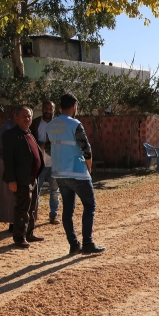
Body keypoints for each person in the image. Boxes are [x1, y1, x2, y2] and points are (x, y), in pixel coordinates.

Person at [47, 94, 105, 255]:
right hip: (77, 172)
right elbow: (86, 147)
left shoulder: (50, 125)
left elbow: (47, 147)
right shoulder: (75, 124)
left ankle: (73, 244)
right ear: (74, 107)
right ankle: (87, 243)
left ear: (59, 107)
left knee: (67, 209)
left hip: (59, 173)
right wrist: (89, 167)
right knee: (89, 205)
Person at [2, 106, 45, 249]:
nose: (27, 119)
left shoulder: (29, 134)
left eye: (29, 116)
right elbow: (8, 160)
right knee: (22, 208)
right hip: (20, 179)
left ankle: (29, 233)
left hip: (33, 178)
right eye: (24, 116)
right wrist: (11, 179)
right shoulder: (10, 135)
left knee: (32, 207)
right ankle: (19, 237)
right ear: (16, 117)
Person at [30, 101, 60, 224]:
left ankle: (54, 215)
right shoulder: (35, 123)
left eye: (50, 109)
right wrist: (39, 145)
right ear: (42, 109)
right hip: (39, 164)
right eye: (46, 108)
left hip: (54, 163)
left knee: (54, 191)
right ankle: (32, 216)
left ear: (54, 110)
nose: (48, 111)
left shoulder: (58, 124)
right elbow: (30, 139)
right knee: (36, 191)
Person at [0, 108, 17, 231]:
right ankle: (13, 223)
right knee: (10, 195)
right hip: (9, 168)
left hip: (17, 168)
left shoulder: (18, 128)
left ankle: (17, 222)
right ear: (15, 115)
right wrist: (10, 161)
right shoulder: (7, 128)